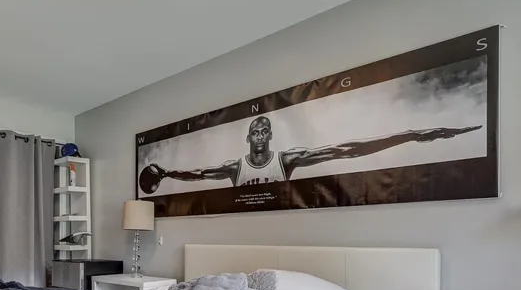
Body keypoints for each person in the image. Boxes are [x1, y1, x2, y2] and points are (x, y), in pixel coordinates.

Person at [139, 116, 482, 192]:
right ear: (247, 137)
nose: (259, 135)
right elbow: (199, 174)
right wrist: (166, 173)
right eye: (254, 131)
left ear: (270, 136)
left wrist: (410, 136)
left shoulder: (287, 160)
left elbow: (345, 151)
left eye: (264, 130)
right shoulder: (234, 167)